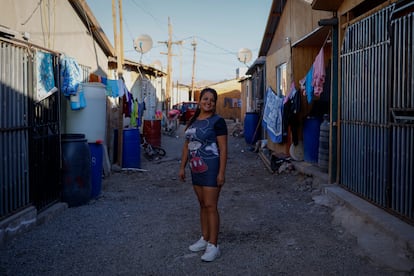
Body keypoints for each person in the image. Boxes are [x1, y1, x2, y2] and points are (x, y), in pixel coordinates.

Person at [179, 88, 228, 262]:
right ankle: (205, 238)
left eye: (212, 100)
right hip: (196, 169)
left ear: (214, 104)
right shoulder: (193, 121)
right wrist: (182, 167)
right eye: (205, 99)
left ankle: (214, 245)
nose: (208, 102)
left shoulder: (218, 121)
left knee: (210, 206)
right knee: (202, 204)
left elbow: (223, 148)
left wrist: (221, 173)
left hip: (212, 169)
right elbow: (187, 146)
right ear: (199, 101)